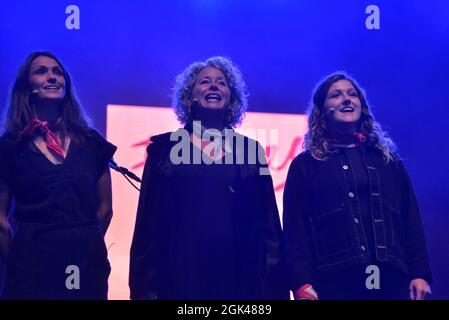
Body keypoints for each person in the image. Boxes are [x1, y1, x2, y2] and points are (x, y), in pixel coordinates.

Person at [129, 56, 287, 300]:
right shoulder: (162, 151)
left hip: (239, 283)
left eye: (221, 83)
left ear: (231, 98)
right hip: (178, 281)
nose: (213, 86)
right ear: (190, 96)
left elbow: (269, 230)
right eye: (204, 82)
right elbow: (146, 230)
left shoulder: (252, 153)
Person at [283, 72, 433, 300]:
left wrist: (419, 272)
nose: (346, 99)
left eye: (352, 94)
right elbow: (296, 230)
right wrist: (301, 281)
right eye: (336, 95)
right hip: (333, 278)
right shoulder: (306, 165)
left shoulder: (386, 160)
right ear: (321, 111)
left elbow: (410, 218)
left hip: (390, 277)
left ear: (361, 106)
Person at [0, 51, 116, 299]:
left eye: (57, 71)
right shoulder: (10, 147)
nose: (52, 76)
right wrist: (21, 259)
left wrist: (82, 244)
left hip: (85, 262)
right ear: (26, 86)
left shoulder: (92, 143)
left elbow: (105, 209)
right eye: (41, 71)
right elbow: (0, 218)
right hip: (30, 265)